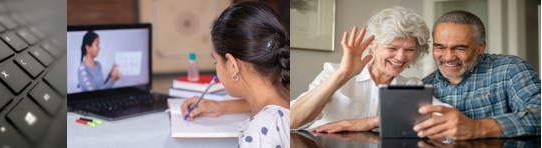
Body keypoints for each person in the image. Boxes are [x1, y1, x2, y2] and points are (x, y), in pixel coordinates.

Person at [289, 6, 448, 133]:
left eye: (410, 50)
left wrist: (372, 122)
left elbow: (446, 119)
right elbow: (292, 120)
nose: (400, 57)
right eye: (392, 48)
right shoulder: (335, 72)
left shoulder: (411, 86)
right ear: (373, 45)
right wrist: (343, 75)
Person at [415, 10, 540, 140]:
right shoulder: (424, 86)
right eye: (440, 47)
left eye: (460, 48)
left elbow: (538, 113)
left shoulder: (510, 69)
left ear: (480, 47)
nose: (448, 57)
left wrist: (478, 127)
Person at [179, 1, 289, 147]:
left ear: (232, 65)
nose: (216, 68)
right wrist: (219, 106)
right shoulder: (287, 95)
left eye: (216, 61)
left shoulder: (259, 135)